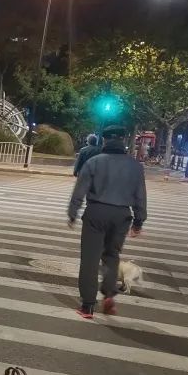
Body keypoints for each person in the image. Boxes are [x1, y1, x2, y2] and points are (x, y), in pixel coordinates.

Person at [68, 125, 147, 318]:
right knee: (112, 256)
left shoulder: (93, 162)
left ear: (104, 140)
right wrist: (138, 222)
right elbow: (140, 196)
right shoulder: (135, 166)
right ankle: (109, 293)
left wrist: (72, 213)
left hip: (96, 212)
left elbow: (80, 190)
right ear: (123, 140)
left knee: (90, 259)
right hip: (121, 215)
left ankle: (88, 306)